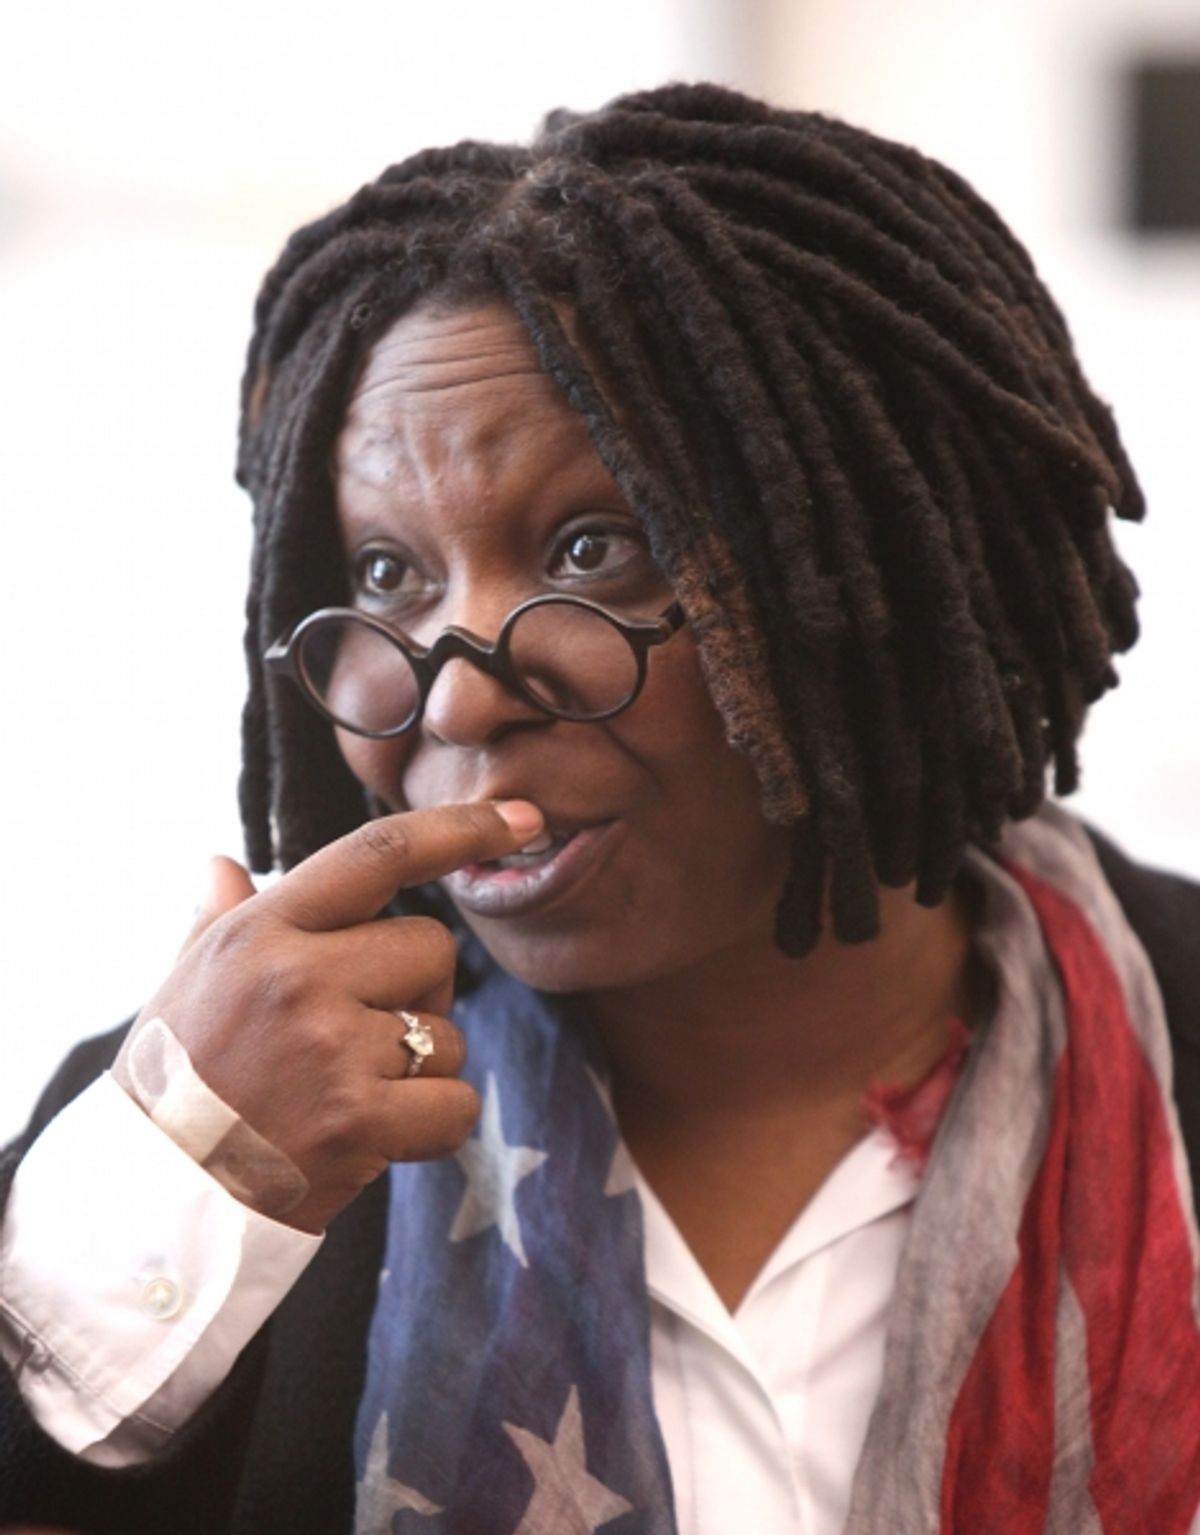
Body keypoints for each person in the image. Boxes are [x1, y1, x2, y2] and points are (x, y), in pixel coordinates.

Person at [0, 81, 1197, 1535]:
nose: (454, 698)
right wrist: (177, 1201)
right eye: (386, 577)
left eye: (592, 545)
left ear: (880, 564)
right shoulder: (212, 1136)